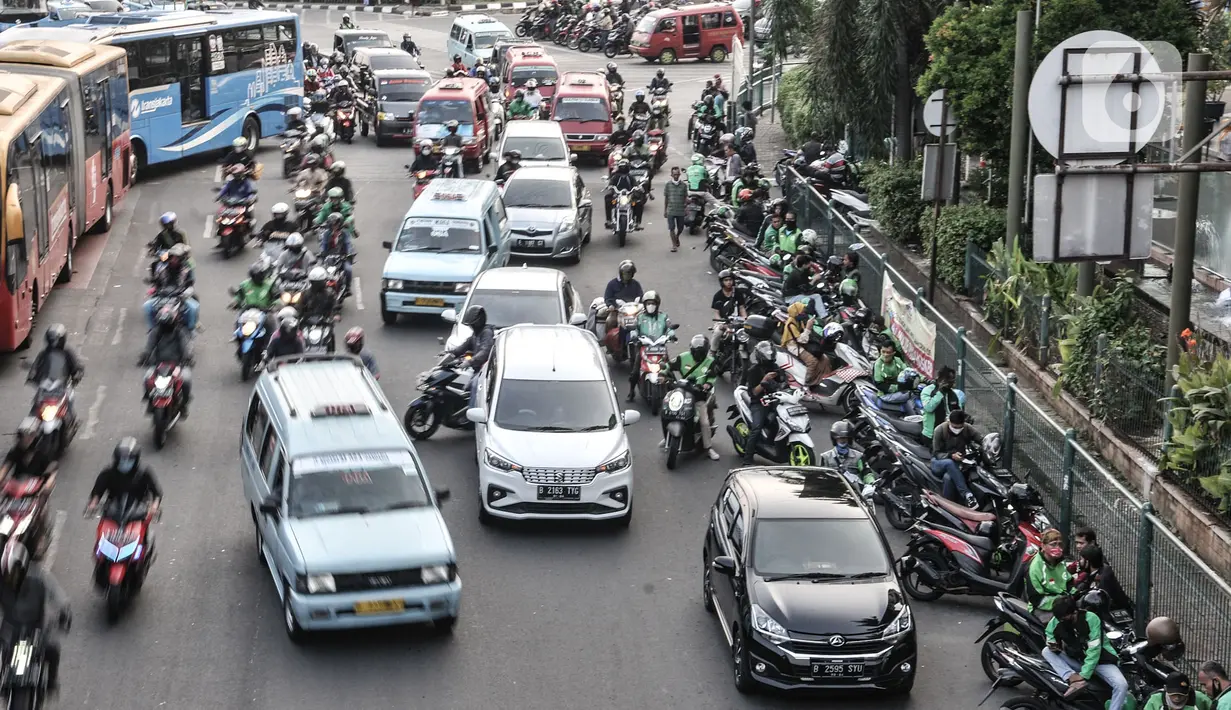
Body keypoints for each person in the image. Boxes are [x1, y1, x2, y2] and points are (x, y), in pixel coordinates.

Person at [0, 540, 70, 695]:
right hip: (11, 628)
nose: (10, 578)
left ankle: (51, 682)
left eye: (13, 573)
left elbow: (56, 593)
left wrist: (64, 611)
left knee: (52, 648)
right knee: (3, 651)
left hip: (37, 627)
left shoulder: (39, 577)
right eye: (6, 574)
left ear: (23, 567)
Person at [1043, 595, 1129, 709]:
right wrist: (1052, 643)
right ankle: (1070, 677)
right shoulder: (1058, 620)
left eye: (1065, 617)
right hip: (1078, 660)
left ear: (1074, 612)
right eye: (1060, 619)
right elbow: (1049, 633)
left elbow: (1094, 650)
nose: (1062, 621)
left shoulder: (1091, 619)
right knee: (1046, 651)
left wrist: (1083, 675)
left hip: (1101, 662)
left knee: (1122, 685)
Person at [667, 334, 720, 460]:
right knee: (668, 411)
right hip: (682, 392)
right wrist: (663, 374)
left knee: (704, 422)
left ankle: (708, 448)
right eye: (695, 352)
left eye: (700, 352)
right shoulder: (683, 357)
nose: (697, 355)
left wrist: (707, 384)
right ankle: (667, 436)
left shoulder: (710, 362)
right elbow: (669, 366)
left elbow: (712, 376)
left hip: (698, 396)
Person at [138, 306, 193, 413]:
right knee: (147, 379)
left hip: (176, 365)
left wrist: (187, 358)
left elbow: (184, 347)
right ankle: (150, 400)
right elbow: (149, 346)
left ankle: (183, 403)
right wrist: (144, 357)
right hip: (158, 365)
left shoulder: (179, 332)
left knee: (186, 379)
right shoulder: (155, 332)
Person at [741, 340, 786, 465]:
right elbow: (754, 393)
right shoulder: (753, 371)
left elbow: (783, 381)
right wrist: (764, 380)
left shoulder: (775, 367)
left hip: (775, 399)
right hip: (759, 402)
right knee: (757, 428)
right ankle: (747, 459)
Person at [144, 244, 199, 332]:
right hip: (163, 296)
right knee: (147, 306)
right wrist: (154, 288)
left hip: (180, 295)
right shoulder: (161, 268)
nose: (174, 260)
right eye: (172, 257)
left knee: (193, 308)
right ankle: (152, 328)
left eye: (176, 258)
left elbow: (190, 284)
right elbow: (157, 282)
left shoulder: (187, 268)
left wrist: (186, 292)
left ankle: (191, 330)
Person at [449, 305, 495, 408]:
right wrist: (451, 353)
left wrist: (470, 361)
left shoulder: (486, 333)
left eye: (473, 324)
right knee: (465, 387)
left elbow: (485, 351)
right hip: (477, 369)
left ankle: (472, 414)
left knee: (475, 385)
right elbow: (464, 346)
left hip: (485, 369)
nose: (471, 326)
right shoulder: (476, 334)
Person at [628, 291, 671, 401]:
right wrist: (634, 335)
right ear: (645, 305)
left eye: (653, 303)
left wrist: (671, 335)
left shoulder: (663, 317)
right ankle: (631, 391)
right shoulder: (640, 317)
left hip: (660, 347)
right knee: (635, 371)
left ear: (657, 304)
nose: (650, 306)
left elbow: (669, 328)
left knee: (669, 369)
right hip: (644, 347)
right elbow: (635, 328)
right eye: (648, 303)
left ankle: (672, 392)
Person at [931, 409, 978, 507]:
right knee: (949, 463)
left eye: (960, 427)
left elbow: (981, 439)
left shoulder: (967, 428)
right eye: (954, 427)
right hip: (939, 462)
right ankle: (967, 495)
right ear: (949, 422)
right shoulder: (939, 430)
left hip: (958, 464)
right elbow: (936, 453)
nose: (957, 430)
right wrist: (951, 455)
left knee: (948, 478)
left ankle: (949, 507)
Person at [1027, 528, 1075, 615]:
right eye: (1053, 544)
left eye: (1060, 544)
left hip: (1064, 603)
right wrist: (1060, 603)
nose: (1058, 548)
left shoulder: (1060, 561)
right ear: (1043, 546)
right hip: (1043, 608)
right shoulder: (1035, 567)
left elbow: (1068, 583)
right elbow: (1036, 599)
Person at [1076, 544, 1133, 616]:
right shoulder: (1097, 572)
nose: (1079, 562)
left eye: (1081, 559)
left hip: (1115, 615)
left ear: (1087, 562)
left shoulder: (1103, 578)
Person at [781, 300, 823, 386]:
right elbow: (800, 340)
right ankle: (807, 383)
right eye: (802, 311)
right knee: (812, 361)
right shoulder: (791, 324)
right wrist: (808, 328)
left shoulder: (798, 321)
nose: (804, 313)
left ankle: (822, 378)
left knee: (823, 358)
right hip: (794, 346)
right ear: (797, 312)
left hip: (802, 343)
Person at [819, 420, 872, 486]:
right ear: (834, 439)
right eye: (840, 438)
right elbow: (821, 477)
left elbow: (866, 473)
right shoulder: (825, 457)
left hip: (854, 491)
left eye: (845, 438)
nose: (842, 440)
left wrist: (871, 483)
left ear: (849, 439)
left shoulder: (859, 457)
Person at [920, 366, 964, 439]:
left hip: (949, 434)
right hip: (931, 435)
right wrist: (940, 393)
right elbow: (929, 408)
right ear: (940, 380)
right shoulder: (928, 391)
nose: (952, 384)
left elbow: (958, 411)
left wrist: (964, 416)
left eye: (953, 381)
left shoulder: (953, 394)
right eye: (949, 382)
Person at [318, 213, 355, 293]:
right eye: (332, 225)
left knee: (348, 269)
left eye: (336, 224)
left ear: (340, 224)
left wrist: (348, 254)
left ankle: (347, 287)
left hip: (342, 257)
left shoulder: (345, 233)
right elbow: (323, 245)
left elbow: (348, 244)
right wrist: (322, 253)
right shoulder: (326, 234)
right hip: (329, 257)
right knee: (319, 269)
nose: (334, 226)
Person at [1144, 672, 1213, 710]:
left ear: (1188, 690)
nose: (1177, 698)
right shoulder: (1155, 700)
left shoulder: (1199, 698)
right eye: (1173, 694)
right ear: (1165, 689)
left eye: (1181, 695)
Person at [874, 343, 914, 409]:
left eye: (888, 352)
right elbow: (879, 385)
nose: (885, 355)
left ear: (893, 353)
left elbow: (908, 371)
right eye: (883, 352)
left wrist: (924, 379)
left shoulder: (897, 360)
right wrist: (898, 388)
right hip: (886, 395)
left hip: (899, 390)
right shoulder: (878, 364)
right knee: (911, 395)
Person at [605, 159, 643, 227]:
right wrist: (610, 187)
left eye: (624, 167)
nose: (623, 169)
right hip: (617, 195)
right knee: (607, 198)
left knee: (639, 202)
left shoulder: (630, 177)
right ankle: (609, 220)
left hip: (629, 195)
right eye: (621, 167)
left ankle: (637, 222)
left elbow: (636, 184)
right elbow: (610, 184)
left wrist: (637, 188)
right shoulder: (615, 176)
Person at [663, 166, 688, 251]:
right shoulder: (668, 185)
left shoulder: (684, 185)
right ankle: (674, 245)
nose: (676, 176)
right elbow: (666, 198)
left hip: (680, 210)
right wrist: (665, 210)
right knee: (671, 228)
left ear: (679, 174)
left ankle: (677, 237)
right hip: (671, 210)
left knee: (680, 228)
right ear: (671, 175)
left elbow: (685, 197)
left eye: (677, 174)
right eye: (674, 174)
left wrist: (686, 208)